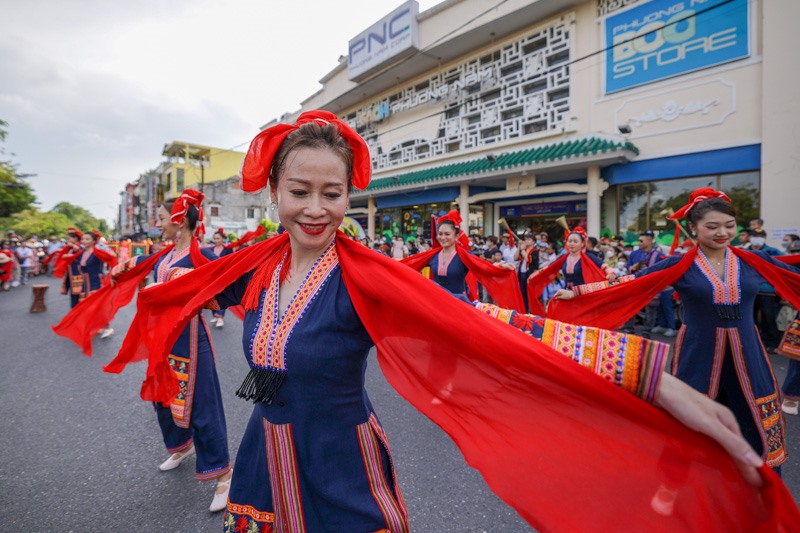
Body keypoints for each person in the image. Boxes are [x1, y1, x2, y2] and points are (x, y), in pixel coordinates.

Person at [104, 113, 795, 532]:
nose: (316, 209)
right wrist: (254, 402)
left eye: (332, 193)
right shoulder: (255, 268)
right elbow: (261, 355)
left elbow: (495, 327)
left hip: (340, 464)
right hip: (263, 461)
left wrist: (664, 386)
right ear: (274, 192)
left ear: (351, 195)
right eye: (300, 192)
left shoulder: (366, 277)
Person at [552, 188, 800, 473]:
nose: (723, 232)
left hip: (749, 354)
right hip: (699, 352)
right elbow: (632, 281)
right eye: (712, 226)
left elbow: (792, 275)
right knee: (692, 423)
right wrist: (580, 293)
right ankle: (684, 491)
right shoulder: (681, 265)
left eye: (730, 226)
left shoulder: (753, 261)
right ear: (693, 228)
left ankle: (764, 489)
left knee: (754, 420)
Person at [109, 190, 233, 511]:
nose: (157, 224)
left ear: (179, 222)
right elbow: (141, 263)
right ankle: (181, 446)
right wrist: (124, 267)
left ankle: (224, 474)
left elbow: (230, 279)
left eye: (162, 219)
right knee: (162, 399)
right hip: (162, 341)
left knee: (203, 406)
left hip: (191, 340)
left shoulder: (201, 256)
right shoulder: (164, 257)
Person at [403, 210, 522, 309]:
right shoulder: (432, 255)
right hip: (436, 304)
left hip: (458, 305)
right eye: (440, 234)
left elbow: (483, 267)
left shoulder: (464, 255)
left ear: (457, 236)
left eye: (447, 234)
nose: (442, 237)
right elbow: (408, 265)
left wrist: (501, 266)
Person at [526, 226, 614, 316]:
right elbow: (549, 267)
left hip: (582, 295)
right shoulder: (564, 257)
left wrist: (610, 273)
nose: (572, 244)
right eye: (570, 241)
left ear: (582, 243)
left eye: (575, 242)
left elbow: (604, 266)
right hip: (567, 294)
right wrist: (535, 275)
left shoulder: (588, 257)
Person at [57, 230, 118, 338]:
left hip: (96, 283)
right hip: (85, 283)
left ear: (94, 241)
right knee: (87, 306)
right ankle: (96, 326)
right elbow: (73, 258)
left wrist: (111, 276)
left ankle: (107, 327)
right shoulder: (82, 253)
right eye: (83, 239)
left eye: (87, 239)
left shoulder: (97, 252)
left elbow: (112, 258)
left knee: (96, 306)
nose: (84, 241)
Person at [625, 230, 675, 338]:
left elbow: (664, 269)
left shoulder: (658, 255)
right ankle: (629, 329)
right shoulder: (634, 253)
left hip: (651, 286)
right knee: (631, 307)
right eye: (639, 240)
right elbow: (627, 267)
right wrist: (632, 267)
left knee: (651, 309)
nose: (639, 243)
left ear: (650, 241)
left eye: (641, 241)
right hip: (636, 285)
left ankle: (647, 331)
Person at [207, 228, 232, 328]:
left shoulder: (227, 250)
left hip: (223, 276)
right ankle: (215, 315)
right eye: (215, 238)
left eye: (218, 238)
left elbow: (230, 262)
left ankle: (220, 317)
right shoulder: (209, 250)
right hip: (212, 277)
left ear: (222, 239)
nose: (216, 240)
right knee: (211, 296)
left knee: (222, 296)